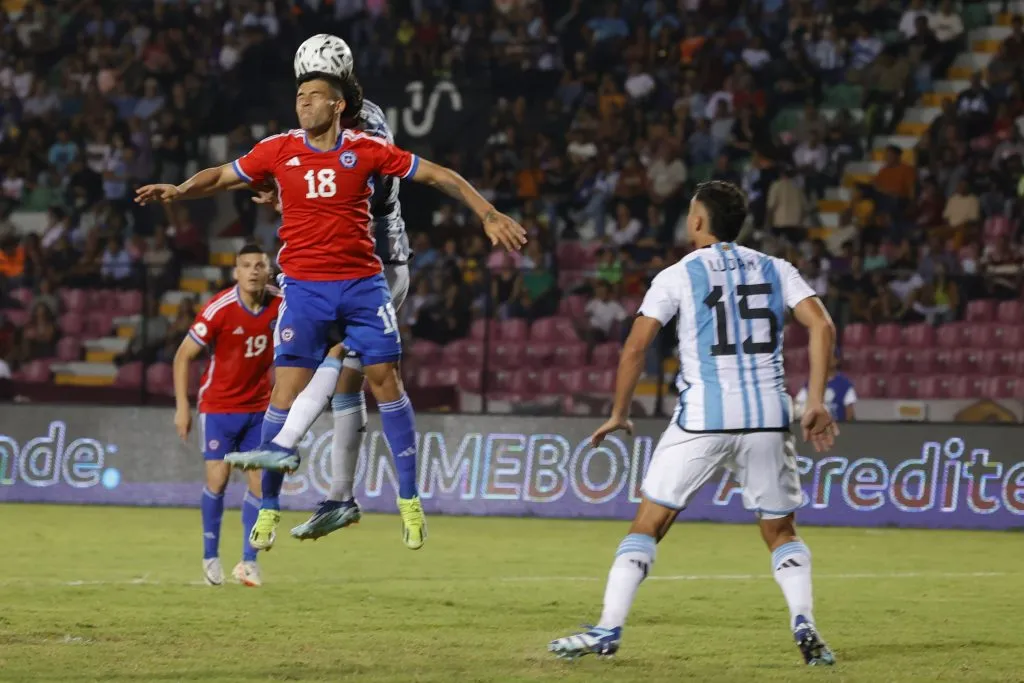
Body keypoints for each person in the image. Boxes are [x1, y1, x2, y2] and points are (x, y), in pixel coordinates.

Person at [136, 54, 526, 555]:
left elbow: (438, 175)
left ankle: (409, 500)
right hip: (303, 291)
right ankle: (271, 508)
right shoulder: (277, 150)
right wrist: (180, 190)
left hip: (364, 286)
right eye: (299, 96)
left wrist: (487, 213)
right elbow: (221, 176)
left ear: (338, 105)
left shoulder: (366, 149)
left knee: (387, 384)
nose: (303, 103)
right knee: (285, 392)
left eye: (313, 96)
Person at [547, 181, 838, 666]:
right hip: (769, 415)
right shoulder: (776, 268)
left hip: (704, 415)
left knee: (649, 523)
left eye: (689, 213)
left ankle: (607, 630)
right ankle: (803, 621)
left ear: (699, 221)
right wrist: (818, 401)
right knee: (781, 531)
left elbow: (636, 347)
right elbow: (822, 325)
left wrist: (620, 412)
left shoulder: (678, 274)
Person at [227, 36, 422, 543]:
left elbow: (359, 192)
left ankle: (287, 444)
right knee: (347, 382)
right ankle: (340, 498)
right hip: (346, 264)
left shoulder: (363, 128)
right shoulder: (347, 120)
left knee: (340, 353)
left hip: (374, 262)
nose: (308, 100)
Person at [171, 243, 282, 587]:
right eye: (246, 265)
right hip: (218, 406)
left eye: (259, 265)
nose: (253, 271)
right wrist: (182, 407)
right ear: (236, 272)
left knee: (259, 485)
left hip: (258, 408)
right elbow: (182, 356)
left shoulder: (281, 303)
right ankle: (210, 557)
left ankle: (248, 563)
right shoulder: (219, 308)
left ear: (268, 271)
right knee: (217, 481)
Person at [795, 350, 856, 422]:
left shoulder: (845, 385)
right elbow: (798, 405)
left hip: (838, 428)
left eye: (830, 357)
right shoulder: (811, 383)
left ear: (837, 360)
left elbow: (850, 413)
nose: (827, 359)